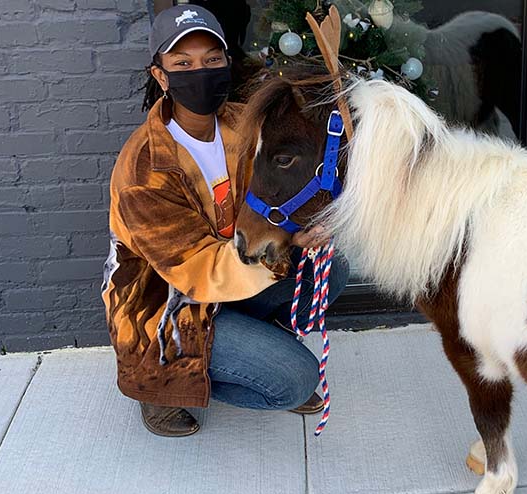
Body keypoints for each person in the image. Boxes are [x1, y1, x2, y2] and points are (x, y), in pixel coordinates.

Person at [102, 5, 349, 437]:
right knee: (295, 381)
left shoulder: (244, 123)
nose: (200, 72)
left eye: (211, 60)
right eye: (183, 64)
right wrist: (286, 245)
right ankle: (165, 386)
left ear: (227, 64)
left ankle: (252, 345)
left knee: (333, 268)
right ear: (160, 76)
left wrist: (307, 229)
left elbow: (278, 191)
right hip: (170, 304)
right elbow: (197, 273)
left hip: (234, 273)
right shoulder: (144, 170)